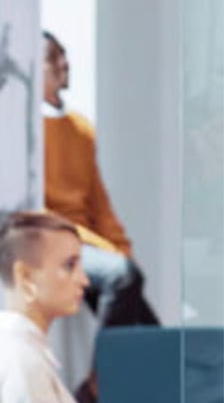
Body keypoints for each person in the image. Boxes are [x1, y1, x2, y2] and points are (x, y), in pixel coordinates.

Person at [41, 31, 160, 402]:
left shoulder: (81, 130)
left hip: (88, 247)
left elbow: (100, 204)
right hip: (55, 242)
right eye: (53, 57)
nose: (64, 64)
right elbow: (41, 211)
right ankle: (95, 386)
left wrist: (120, 248)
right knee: (122, 276)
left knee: (154, 336)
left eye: (64, 55)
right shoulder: (28, 131)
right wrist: (108, 254)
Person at [0, 211, 90, 403]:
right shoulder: (23, 364)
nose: (84, 280)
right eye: (69, 265)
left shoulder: (10, 353)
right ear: (25, 276)